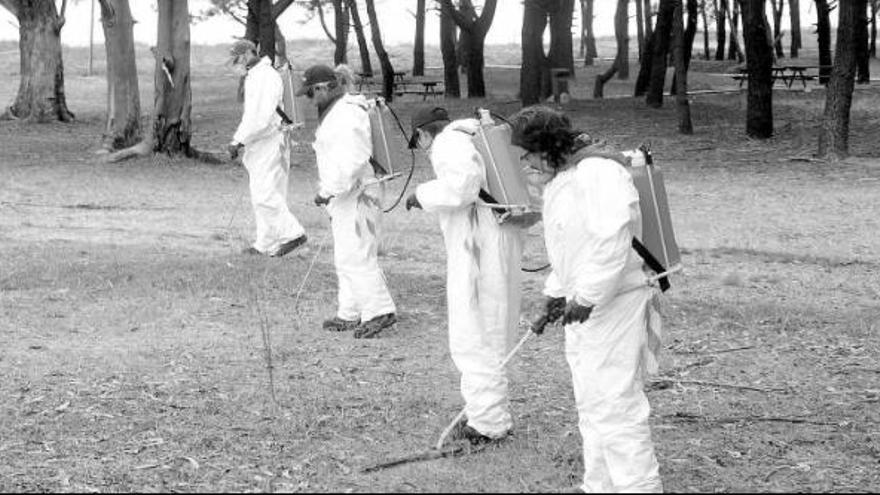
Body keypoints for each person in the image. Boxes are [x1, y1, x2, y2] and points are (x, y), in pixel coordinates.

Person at [509, 105, 663, 493]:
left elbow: (613, 237)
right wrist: (556, 295)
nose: (525, 161)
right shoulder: (567, 175)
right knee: (591, 402)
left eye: (528, 152)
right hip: (588, 303)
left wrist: (588, 296)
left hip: (616, 301)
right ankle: (601, 485)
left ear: (547, 146)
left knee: (615, 403)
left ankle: (639, 487)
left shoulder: (598, 171)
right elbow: (570, 245)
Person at [405, 106, 524, 444]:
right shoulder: (475, 135)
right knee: (493, 327)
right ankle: (488, 413)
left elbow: (461, 188)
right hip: (496, 238)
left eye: (421, 142)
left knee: (474, 332)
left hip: (478, 245)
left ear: (425, 134)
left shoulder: (447, 142)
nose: (426, 149)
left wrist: (421, 194)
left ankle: (487, 423)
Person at [296, 64, 397, 339]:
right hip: (347, 195)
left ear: (323, 87)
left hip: (360, 193)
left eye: (310, 93)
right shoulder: (336, 112)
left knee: (358, 252)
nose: (308, 99)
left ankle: (379, 310)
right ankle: (350, 311)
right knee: (345, 254)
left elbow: (354, 159)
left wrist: (328, 190)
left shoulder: (347, 113)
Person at [227, 39, 307, 258]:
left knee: (264, 194)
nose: (236, 65)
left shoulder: (263, 76)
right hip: (268, 140)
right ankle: (266, 243)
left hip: (269, 141)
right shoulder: (257, 75)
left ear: (245, 55)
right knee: (268, 194)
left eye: (236, 60)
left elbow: (259, 117)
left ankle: (293, 233)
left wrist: (238, 140)